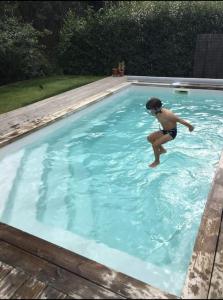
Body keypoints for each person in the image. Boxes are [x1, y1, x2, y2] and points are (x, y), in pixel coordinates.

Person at [146, 97, 194, 168]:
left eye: (151, 109)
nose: (150, 111)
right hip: (165, 131)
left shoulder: (168, 114)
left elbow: (180, 120)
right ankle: (162, 150)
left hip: (171, 133)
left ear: (156, 108)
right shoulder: (156, 112)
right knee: (149, 138)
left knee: (155, 145)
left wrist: (190, 127)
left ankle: (157, 161)